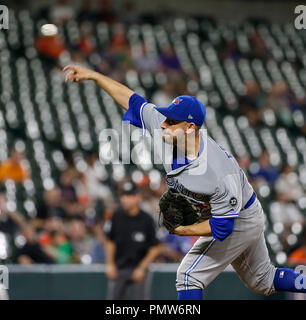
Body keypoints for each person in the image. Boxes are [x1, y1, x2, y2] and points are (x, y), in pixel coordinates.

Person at [63, 64, 306, 299]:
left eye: (170, 121)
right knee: (263, 280)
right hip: (237, 211)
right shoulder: (166, 130)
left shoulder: (218, 172)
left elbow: (224, 228)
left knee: (189, 276)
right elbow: (132, 100)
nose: (162, 124)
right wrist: (95, 76)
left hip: (239, 217)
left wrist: (182, 230)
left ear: (189, 127)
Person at [104, 182, 162, 300]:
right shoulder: (117, 215)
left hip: (139, 269)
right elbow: (110, 241)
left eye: (129, 196)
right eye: (123, 196)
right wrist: (110, 264)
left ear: (138, 197)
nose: (125, 199)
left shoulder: (146, 219)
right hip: (119, 268)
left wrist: (141, 268)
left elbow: (155, 247)